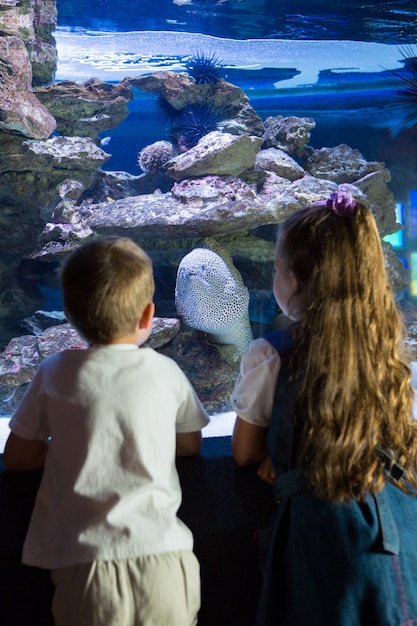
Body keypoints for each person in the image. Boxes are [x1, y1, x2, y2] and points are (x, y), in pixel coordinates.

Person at [231, 191, 417, 625]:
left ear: (294, 280)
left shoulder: (270, 353)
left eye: (276, 269)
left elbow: (243, 451)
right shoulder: (385, 350)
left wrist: (285, 459)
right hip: (399, 532)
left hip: (327, 544)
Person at [3, 236, 210, 626]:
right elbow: (190, 443)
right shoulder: (166, 372)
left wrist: (72, 445)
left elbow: (17, 458)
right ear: (149, 316)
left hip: (87, 568)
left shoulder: (54, 372)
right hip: (169, 561)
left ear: (68, 315)